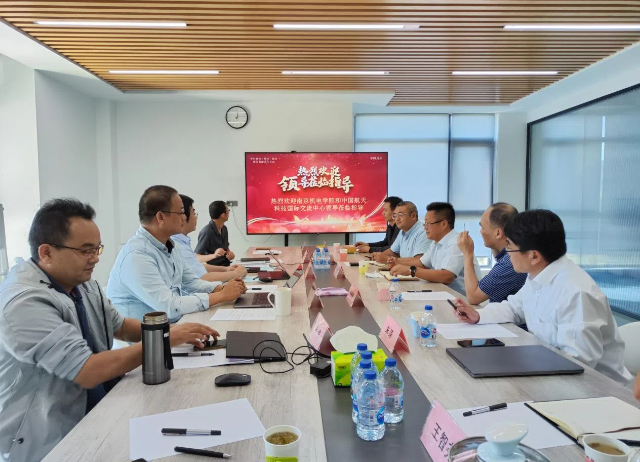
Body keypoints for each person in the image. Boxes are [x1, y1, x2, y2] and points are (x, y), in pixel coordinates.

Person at [0, 199, 217, 462]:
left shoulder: (81, 282)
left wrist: (173, 331)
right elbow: (87, 371)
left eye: (97, 249)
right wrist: (165, 339)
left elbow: (120, 326)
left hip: (100, 411)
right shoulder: (23, 303)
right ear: (46, 252)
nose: (95, 258)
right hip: (50, 440)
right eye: (85, 250)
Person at [451, 210, 633, 385]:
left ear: (534, 256)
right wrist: (478, 315)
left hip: (596, 389)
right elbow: (514, 308)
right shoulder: (537, 274)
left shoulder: (576, 293)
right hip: (548, 370)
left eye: (510, 248)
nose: (508, 254)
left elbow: (577, 362)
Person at [107, 186, 246, 323]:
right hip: (145, 336)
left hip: (172, 326)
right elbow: (169, 307)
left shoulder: (172, 246)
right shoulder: (137, 255)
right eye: (180, 212)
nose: (184, 217)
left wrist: (223, 288)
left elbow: (191, 282)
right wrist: (222, 295)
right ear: (161, 217)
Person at [390, 202, 480, 295]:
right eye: (425, 223)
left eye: (428, 223)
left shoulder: (456, 242)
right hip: (443, 294)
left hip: (461, 299)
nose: (425, 228)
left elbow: (447, 276)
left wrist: (411, 270)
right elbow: (422, 263)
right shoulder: (435, 242)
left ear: (443, 224)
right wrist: (398, 263)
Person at [457, 203, 527, 304]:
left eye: (482, 227)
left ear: (498, 233)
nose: (480, 232)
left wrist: (467, 252)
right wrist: (493, 243)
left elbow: (473, 297)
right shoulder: (509, 255)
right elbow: (498, 255)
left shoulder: (509, 263)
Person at [172, 195, 248, 283]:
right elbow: (202, 274)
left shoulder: (224, 229)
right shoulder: (206, 232)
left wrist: (227, 267)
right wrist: (235, 273)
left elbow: (197, 266)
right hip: (213, 276)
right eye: (193, 212)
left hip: (223, 268)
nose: (196, 216)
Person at [195, 201, 235, 266]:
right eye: (228, 210)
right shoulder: (206, 232)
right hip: (214, 268)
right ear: (222, 215)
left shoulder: (224, 229)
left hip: (226, 265)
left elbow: (226, 248)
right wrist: (214, 255)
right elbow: (197, 257)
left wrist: (230, 253)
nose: (229, 213)